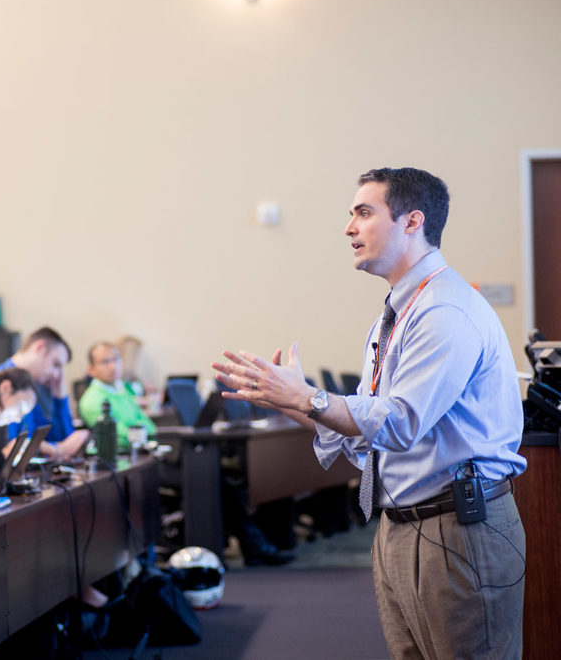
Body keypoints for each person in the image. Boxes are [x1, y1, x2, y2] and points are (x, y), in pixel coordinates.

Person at [211, 167, 526, 657]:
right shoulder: (392, 318)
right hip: (400, 526)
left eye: (363, 212)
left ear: (411, 221)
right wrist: (285, 399)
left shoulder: (445, 311)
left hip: (459, 527)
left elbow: (399, 422)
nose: (349, 227)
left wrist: (306, 397)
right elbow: (364, 436)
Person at [0, 327, 89, 459]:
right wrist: (57, 449)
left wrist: (59, 397)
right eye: (56, 364)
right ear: (40, 348)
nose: (57, 375)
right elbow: (8, 446)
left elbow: (62, 439)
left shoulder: (32, 388)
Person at [78, 341, 157, 451]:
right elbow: (120, 438)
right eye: (104, 362)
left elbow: (150, 427)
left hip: (141, 453)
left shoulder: (122, 390)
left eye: (116, 359)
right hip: (120, 459)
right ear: (91, 370)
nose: (113, 366)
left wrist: (140, 431)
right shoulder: (91, 400)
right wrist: (139, 431)